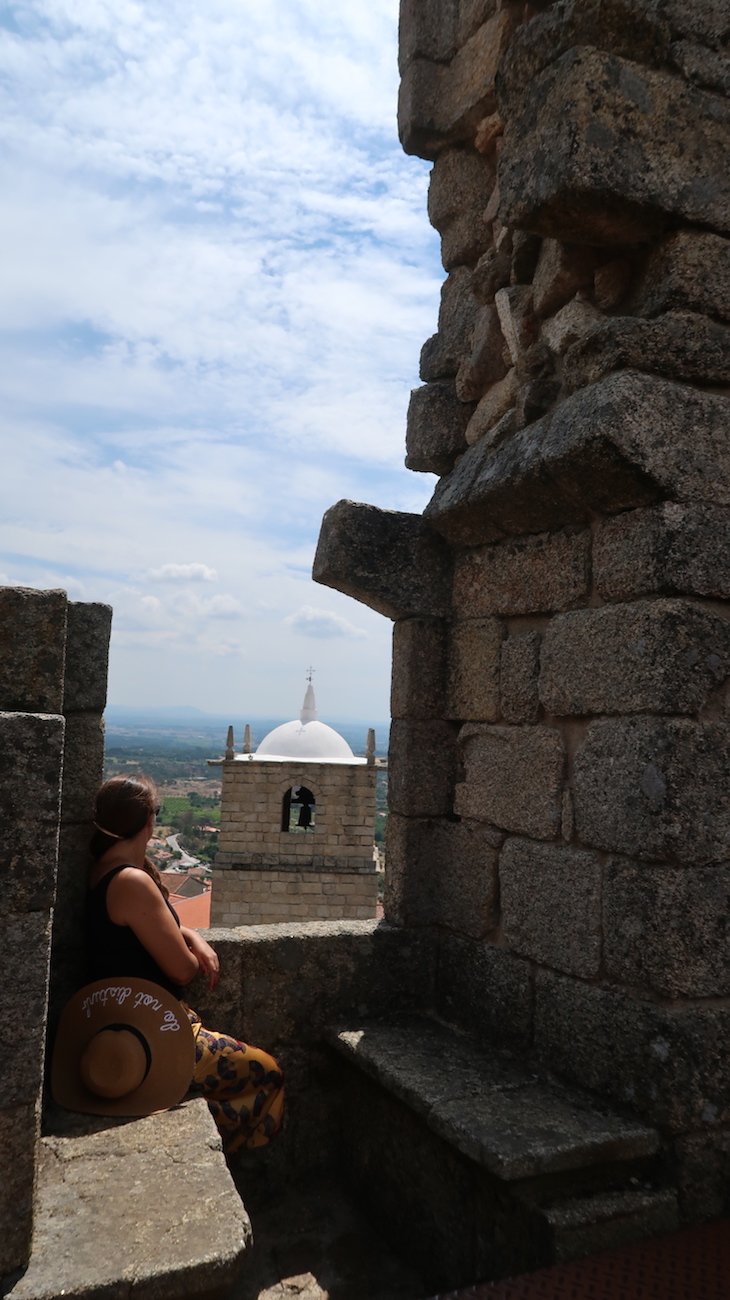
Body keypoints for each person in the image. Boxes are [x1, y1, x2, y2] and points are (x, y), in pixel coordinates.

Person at [86, 774, 284, 1153]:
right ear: (147, 822)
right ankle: (235, 1160)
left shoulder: (102, 870)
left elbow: (148, 927)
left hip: (112, 1021)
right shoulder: (133, 881)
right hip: (153, 1026)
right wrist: (191, 949)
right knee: (268, 1072)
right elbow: (183, 970)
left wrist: (190, 934)